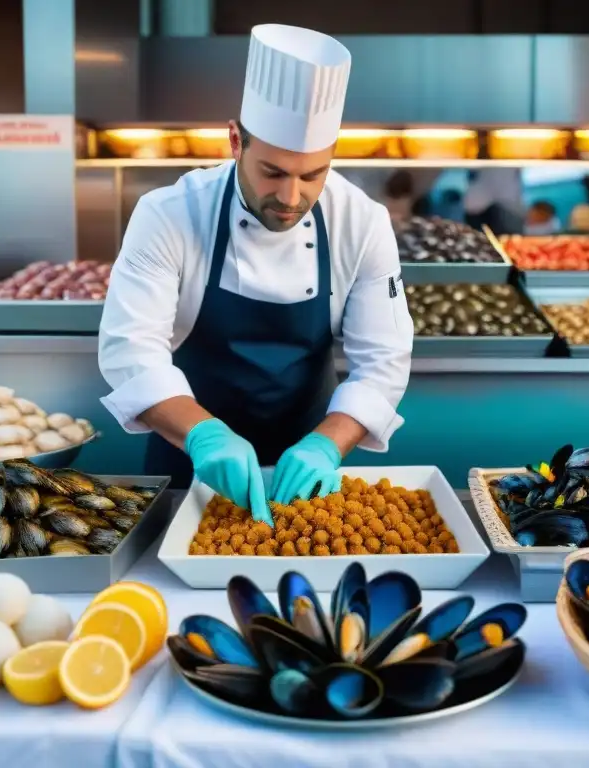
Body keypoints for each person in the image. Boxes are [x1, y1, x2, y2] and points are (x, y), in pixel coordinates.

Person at [98, 24, 414, 524]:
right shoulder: (170, 214)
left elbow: (384, 361)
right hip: (190, 464)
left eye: (312, 175)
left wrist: (327, 447)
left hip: (310, 468)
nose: (290, 198)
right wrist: (203, 435)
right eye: (272, 172)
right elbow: (129, 348)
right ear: (234, 140)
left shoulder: (362, 221)